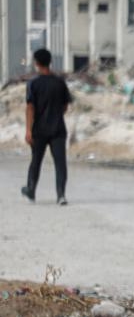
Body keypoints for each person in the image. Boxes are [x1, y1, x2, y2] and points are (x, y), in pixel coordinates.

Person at [22, 48, 72, 205]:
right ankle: (61, 195)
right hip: (58, 129)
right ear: (50, 62)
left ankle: (31, 191)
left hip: (39, 130)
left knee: (36, 160)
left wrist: (28, 130)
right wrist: (55, 115)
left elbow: (30, 108)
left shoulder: (33, 84)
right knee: (60, 163)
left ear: (36, 63)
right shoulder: (60, 82)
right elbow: (65, 106)